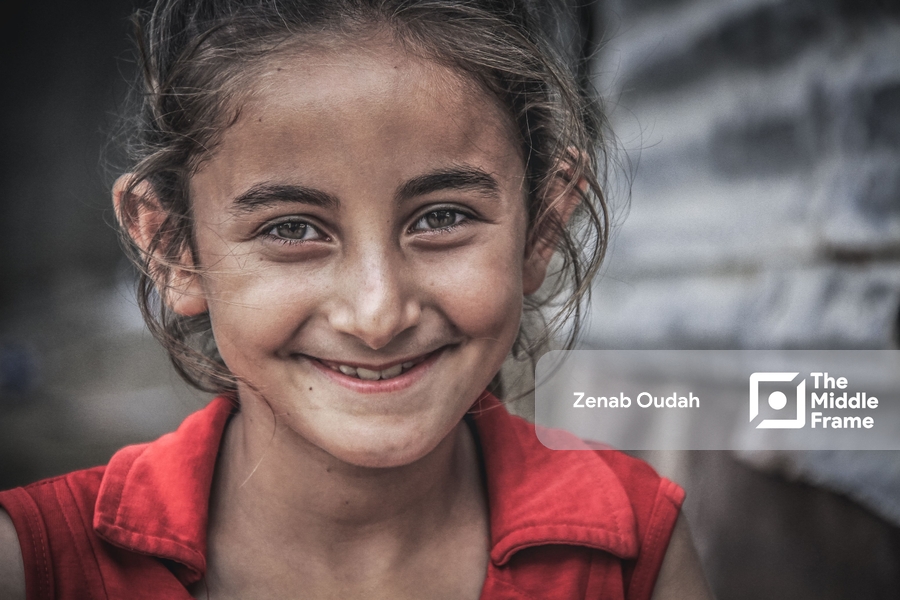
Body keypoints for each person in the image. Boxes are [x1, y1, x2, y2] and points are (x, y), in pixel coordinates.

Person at [0, 1, 712, 598]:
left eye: (441, 217)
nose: (377, 315)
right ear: (172, 249)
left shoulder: (629, 556)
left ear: (543, 227)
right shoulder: (38, 566)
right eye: (291, 229)